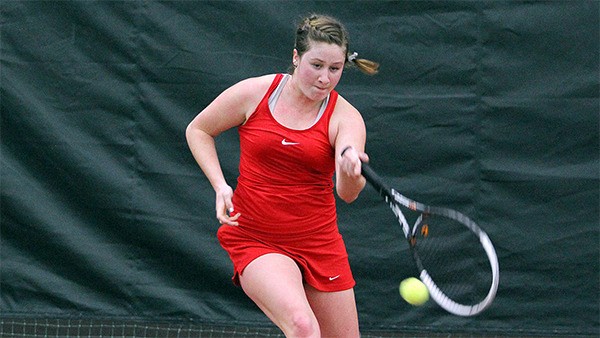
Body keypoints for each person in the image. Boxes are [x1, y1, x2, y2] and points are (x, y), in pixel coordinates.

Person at [186, 14, 379, 338]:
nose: (324, 79)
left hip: (320, 244)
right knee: (303, 327)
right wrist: (220, 186)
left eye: (335, 69)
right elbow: (199, 129)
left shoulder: (346, 117)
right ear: (295, 57)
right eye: (316, 65)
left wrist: (349, 169)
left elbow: (347, 192)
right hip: (256, 238)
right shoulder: (255, 93)